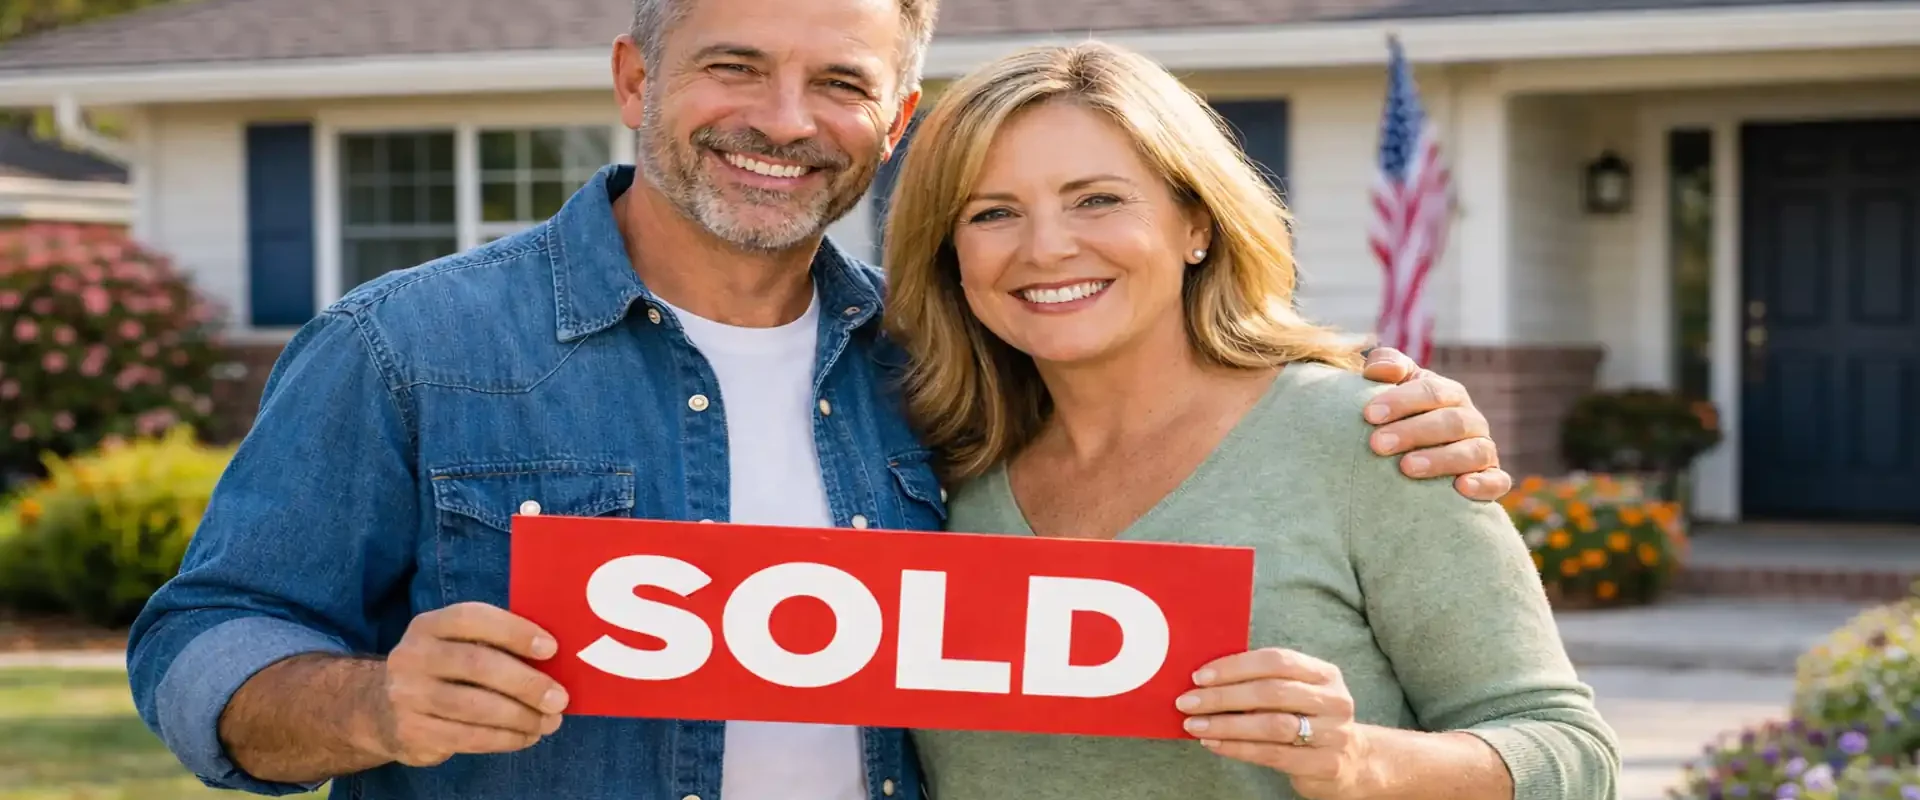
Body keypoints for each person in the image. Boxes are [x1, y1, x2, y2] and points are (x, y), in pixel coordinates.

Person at [125, 1, 1511, 799]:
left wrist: (1374, 404)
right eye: (733, 64)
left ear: (894, 122)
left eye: (840, 81)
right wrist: (373, 709)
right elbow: (201, 637)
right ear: (635, 80)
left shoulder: (942, 373)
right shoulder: (404, 347)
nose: (784, 119)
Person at [880, 41, 1620, 800]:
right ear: (950, 256)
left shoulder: (1372, 438)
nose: (1048, 247)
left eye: (1096, 199)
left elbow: (1568, 754)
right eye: (993, 213)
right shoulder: (929, 470)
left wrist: (1360, 762)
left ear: (1195, 223)